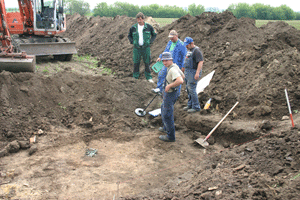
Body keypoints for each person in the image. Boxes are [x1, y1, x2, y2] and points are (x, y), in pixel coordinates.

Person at [158, 52, 184, 142]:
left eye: (166, 60)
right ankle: (166, 127)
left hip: (170, 94)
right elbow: (183, 76)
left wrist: (169, 86)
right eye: (163, 61)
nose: (164, 62)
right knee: (163, 107)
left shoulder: (172, 70)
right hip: (173, 93)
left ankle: (170, 136)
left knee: (167, 114)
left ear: (171, 60)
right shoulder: (174, 66)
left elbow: (180, 80)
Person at [128, 12, 157, 82]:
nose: (139, 21)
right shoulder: (133, 28)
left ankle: (148, 77)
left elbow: (154, 35)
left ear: (143, 19)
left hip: (146, 48)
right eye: (138, 19)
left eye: (140, 19)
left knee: (147, 62)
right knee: (136, 62)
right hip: (137, 48)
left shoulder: (149, 27)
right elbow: (129, 35)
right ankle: (135, 77)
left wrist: (150, 41)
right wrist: (132, 42)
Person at [183, 37, 204, 113]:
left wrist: (197, 73)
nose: (186, 46)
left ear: (191, 43)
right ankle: (190, 104)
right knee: (188, 89)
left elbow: (200, 62)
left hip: (193, 72)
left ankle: (196, 107)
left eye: (187, 45)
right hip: (188, 72)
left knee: (192, 89)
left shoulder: (196, 50)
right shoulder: (189, 50)